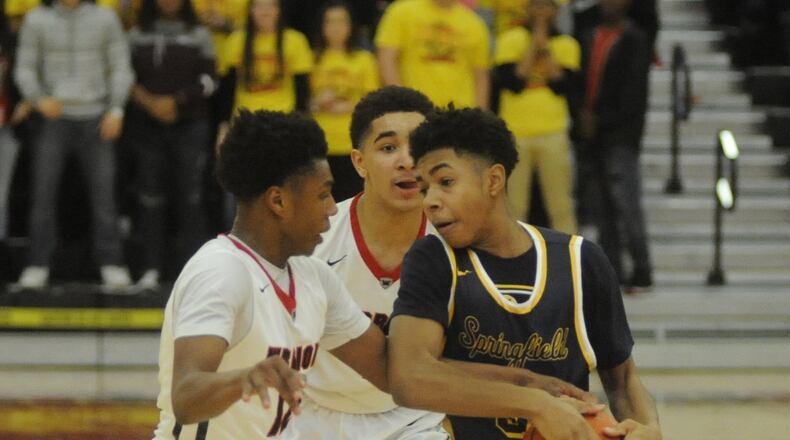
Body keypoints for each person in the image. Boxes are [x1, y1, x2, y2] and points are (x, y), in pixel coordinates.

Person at [287, 86, 595, 440]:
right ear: (359, 162)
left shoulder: (461, 241)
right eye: (388, 148)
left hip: (412, 421)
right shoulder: (314, 241)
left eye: (416, 149)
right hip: (309, 414)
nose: (406, 161)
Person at [388, 107, 662, 440]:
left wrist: (649, 430)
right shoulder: (433, 259)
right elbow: (409, 376)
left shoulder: (581, 260)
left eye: (445, 182)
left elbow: (622, 381)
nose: (430, 200)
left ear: (493, 179)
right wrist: (536, 404)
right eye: (424, 188)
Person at [153, 109, 389, 439]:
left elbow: (391, 370)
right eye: (322, 194)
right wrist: (244, 378)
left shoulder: (314, 277)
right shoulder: (221, 271)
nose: (333, 207)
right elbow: (186, 396)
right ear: (278, 201)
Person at [14, 0, 134, 289]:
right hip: (53, 118)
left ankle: (111, 262)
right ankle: (37, 263)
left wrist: (116, 109)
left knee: (104, 197)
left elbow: (120, 66)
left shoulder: (105, 19)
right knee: (43, 194)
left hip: (96, 116)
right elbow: (25, 68)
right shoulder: (36, 20)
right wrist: (38, 98)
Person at [126, 0, 216, 289]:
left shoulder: (199, 33)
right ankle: (150, 268)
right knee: (150, 198)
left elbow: (210, 81)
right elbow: (124, 77)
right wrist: (149, 103)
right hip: (146, 125)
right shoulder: (137, 33)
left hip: (189, 124)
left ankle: (195, 274)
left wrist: (175, 101)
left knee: (190, 198)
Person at [575, 0, 653, 292]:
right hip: (592, 134)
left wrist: (601, 120)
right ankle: (613, 272)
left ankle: (642, 269)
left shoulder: (635, 39)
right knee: (602, 207)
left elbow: (633, 94)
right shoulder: (589, 36)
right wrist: (583, 120)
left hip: (620, 135)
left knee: (626, 204)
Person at [494, 0, 579, 233]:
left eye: (547, 6)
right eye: (536, 6)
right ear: (527, 9)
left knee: (560, 205)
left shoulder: (567, 44)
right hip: (516, 132)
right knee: (514, 206)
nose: (541, 12)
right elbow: (515, 82)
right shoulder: (509, 40)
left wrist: (545, 47)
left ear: (556, 11)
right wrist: (534, 43)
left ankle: (571, 261)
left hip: (553, 132)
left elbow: (561, 84)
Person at [310, 0, 379, 202]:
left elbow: (372, 102)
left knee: (353, 201)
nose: (336, 27)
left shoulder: (364, 59)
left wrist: (347, 105)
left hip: (353, 145)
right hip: (322, 145)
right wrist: (318, 102)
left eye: (341, 22)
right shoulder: (312, 58)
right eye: (330, 22)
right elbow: (303, 101)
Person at [375, 0, 491, 109]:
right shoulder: (401, 11)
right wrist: (402, 103)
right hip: (415, 110)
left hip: (459, 114)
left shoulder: (474, 23)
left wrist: (479, 118)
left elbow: (481, 77)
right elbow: (386, 60)